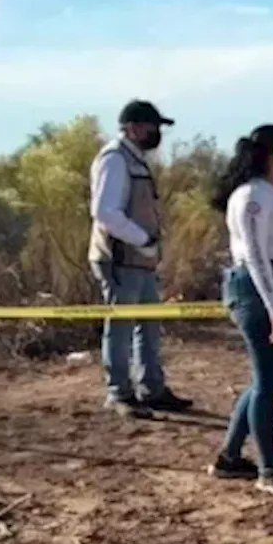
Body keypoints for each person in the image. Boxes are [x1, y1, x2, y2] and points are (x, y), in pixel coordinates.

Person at [206, 125, 273, 495]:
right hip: (259, 290)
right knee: (268, 382)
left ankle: (230, 457)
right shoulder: (251, 196)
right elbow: (254, 254)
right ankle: (268, 470)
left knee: (265, 378)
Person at [88, 100, 193, 417]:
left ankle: (152, 389)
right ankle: (119, 392)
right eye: (152, 126)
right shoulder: (115, 159)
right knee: (120, 328)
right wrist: (142, 238)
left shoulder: (134, 160)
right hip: (120, 258)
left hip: (138, 259)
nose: (156, 133)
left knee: (147, 326)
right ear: (133, 127)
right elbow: (105, 212)